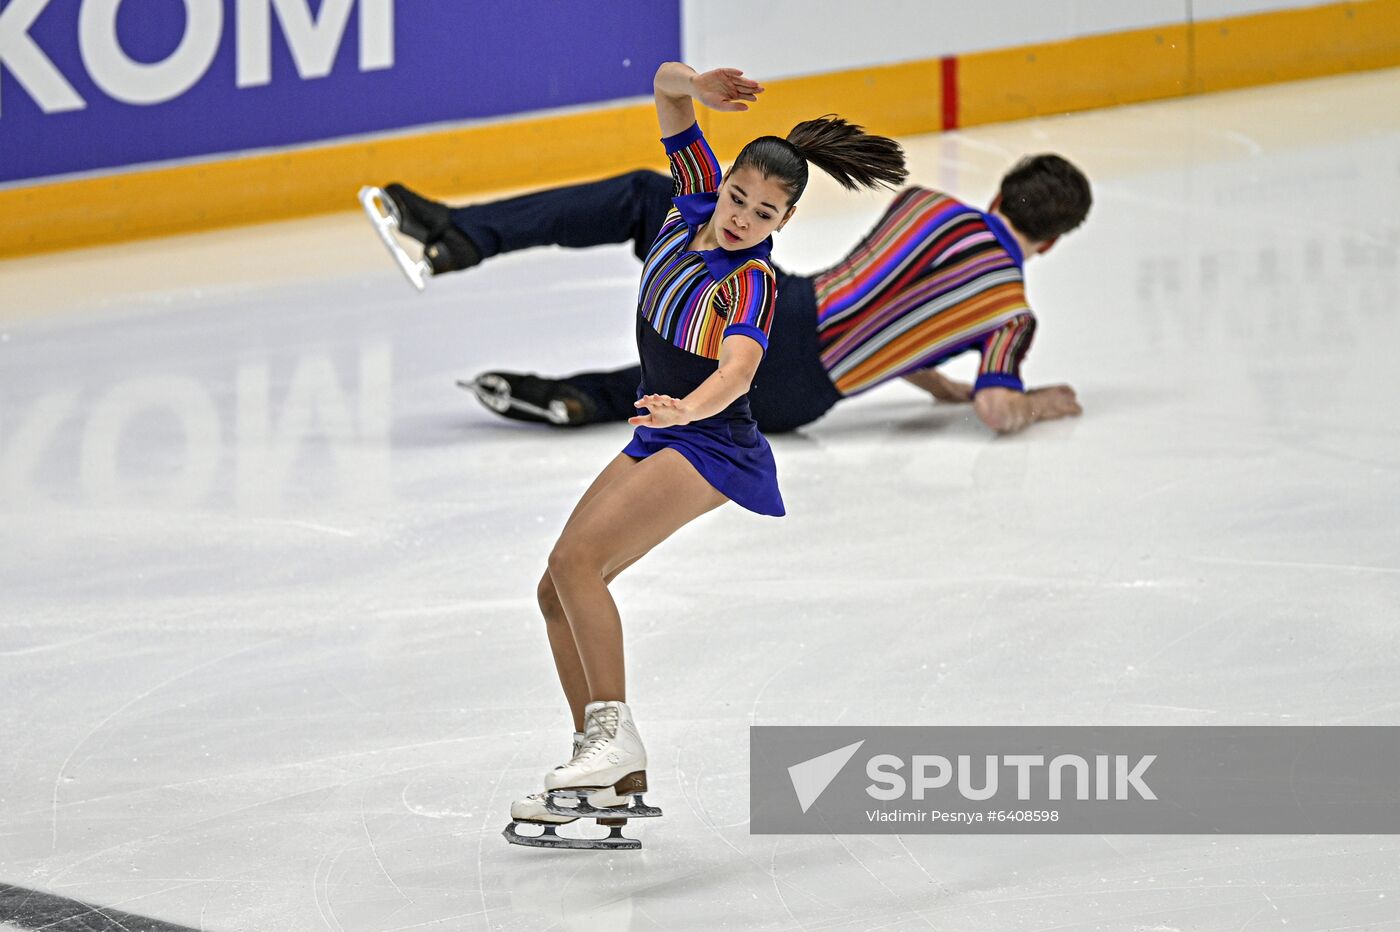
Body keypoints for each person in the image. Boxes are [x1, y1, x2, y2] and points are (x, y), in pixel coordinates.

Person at [463, 61, 907, 850]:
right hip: (669, 430)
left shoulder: (754, 284)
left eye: (764, 213)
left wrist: (685, 407)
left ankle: (611, 740)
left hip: (710, 442)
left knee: (577, 568)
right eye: (739, 197)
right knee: (552, 590)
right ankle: (607, 766)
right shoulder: (693, 196)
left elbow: (736, 372)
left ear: (783, 222)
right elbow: (665, 87)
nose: (741, 217)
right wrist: (696, 85)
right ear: (723, 180)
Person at [362, 148, 1090, 439]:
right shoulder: (1010, 316)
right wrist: (1031, 403)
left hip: (788, 309)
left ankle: (463, 235)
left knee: (652, 198)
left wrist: (923, 369)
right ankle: (577, 398)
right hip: (797, 400)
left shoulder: (929, 207)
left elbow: (881, 295)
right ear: (1052, 242)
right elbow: (995, 406)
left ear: (998, 194)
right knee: (691, 381)